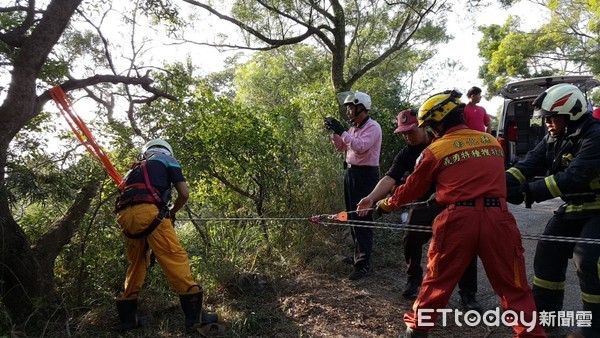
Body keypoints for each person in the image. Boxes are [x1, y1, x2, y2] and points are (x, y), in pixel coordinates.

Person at [368, 90, 546, 338]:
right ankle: (531, 334)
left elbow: (411, 189)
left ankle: (417, 331)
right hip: (499, 219)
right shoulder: (491, 142)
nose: (430, 131)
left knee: (437, 280)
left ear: (439, 122)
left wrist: (385, 205)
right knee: (514, 287)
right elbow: (478, 178)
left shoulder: (436, 149)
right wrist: (442, 194)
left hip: (458, 220)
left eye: (430, 126)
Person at [356, 109, 482, 312]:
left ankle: (468, 293)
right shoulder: (406, 153)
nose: (408, 137)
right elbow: (390, 178)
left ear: (424, 127)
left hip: (453, 202)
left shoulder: (443, 143)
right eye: (404, 133)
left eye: (411, 131)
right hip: (423, 203)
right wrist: (371, 198)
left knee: (464, 243)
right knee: (411, 237)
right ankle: (413, 278)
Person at [506, 83, 600, 337]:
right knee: (547, 252)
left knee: (588, 260)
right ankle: (546, 317)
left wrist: (528, 193)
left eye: (551, 118)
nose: (547, 123)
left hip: (598, 208)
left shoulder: (595, 135)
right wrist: (499, 184)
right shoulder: (553, 138)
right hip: (575, 207)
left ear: (571, 113)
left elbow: (574, 177)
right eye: (545, 118)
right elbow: (526, 165)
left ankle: (594, 328)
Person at [113, 139, 217, 332]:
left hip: (125, 217)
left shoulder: (132, 170)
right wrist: (172, 211)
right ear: (166, 151)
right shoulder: (168, 160)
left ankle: (128, 320)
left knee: (136, 263)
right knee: (174, 257)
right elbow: (184, 194)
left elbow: (123, 193)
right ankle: (196, 319)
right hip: (149, 214)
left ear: (146, 152)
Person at [324, 91, 382, 280]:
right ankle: (358, 255)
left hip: (366, 175)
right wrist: (335, 132)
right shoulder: (353, 128)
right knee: (351, 215)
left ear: (361, 107)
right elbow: (342, 148)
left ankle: (363, 264)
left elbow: (359, 147)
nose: (348, 111)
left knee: (362, 216)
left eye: (351, 107)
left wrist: (342, 131)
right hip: (351, 173)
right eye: (347, 108)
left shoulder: (373, 127)